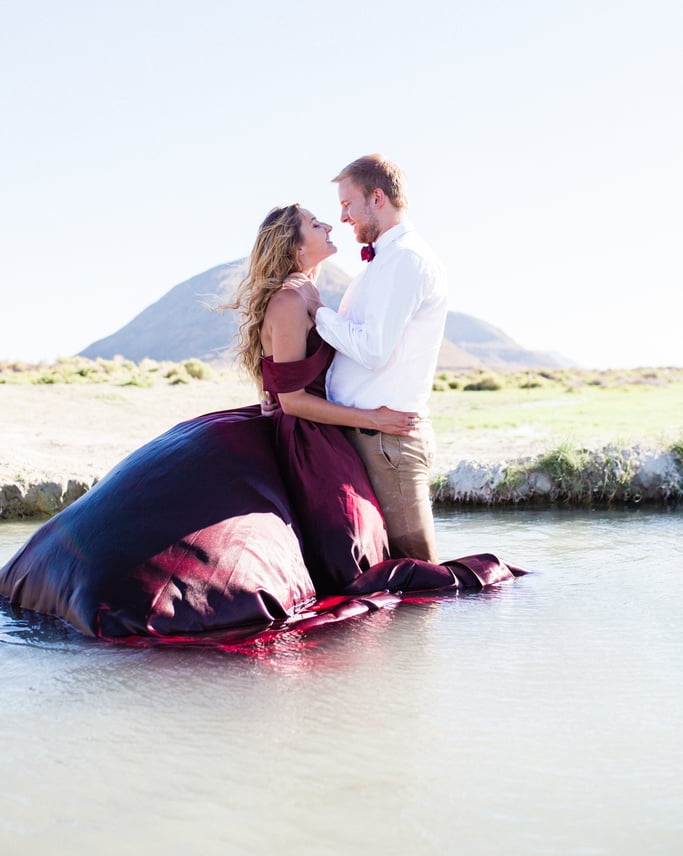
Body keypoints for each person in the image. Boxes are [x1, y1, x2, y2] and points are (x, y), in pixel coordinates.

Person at [0, 203, 523, 643]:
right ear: (296, 247)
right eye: (317, 224)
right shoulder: (292, 299)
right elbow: (292, 401)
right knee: (350, 560)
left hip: (325, 432)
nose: (329, 227)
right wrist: (371, 416)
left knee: (357, 557)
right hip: (311, 436)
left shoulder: (310, 293)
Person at [307, 154, 447, 563]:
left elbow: (372, 349)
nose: (344, 217)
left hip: (389, 444)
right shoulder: (383, 262)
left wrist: (317, 312)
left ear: (378, 197)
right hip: (370, 438)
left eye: (348, 204)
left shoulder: (406, 260)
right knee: (397, 576)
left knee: (421, 575)